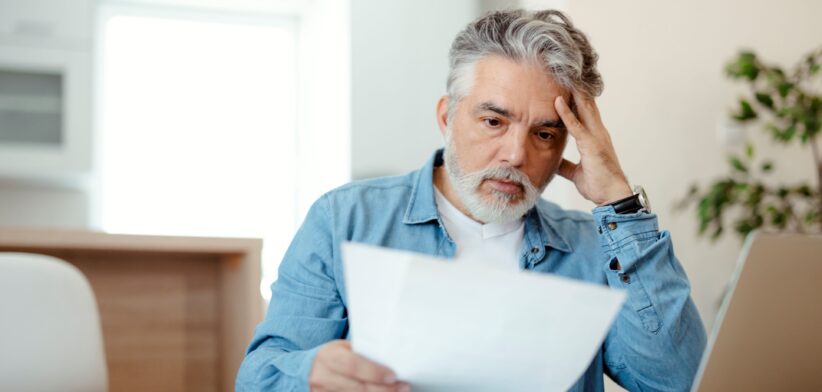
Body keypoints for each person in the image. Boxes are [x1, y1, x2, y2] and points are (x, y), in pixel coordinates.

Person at [236, 9, 706, 392]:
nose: (517, 154)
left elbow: (675, 381)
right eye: (494, 122)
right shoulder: (346, 219)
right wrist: (311, 375)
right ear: (447, 115)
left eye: (544, 133)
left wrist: (620, 204)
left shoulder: (591, 247)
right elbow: (259, 378)